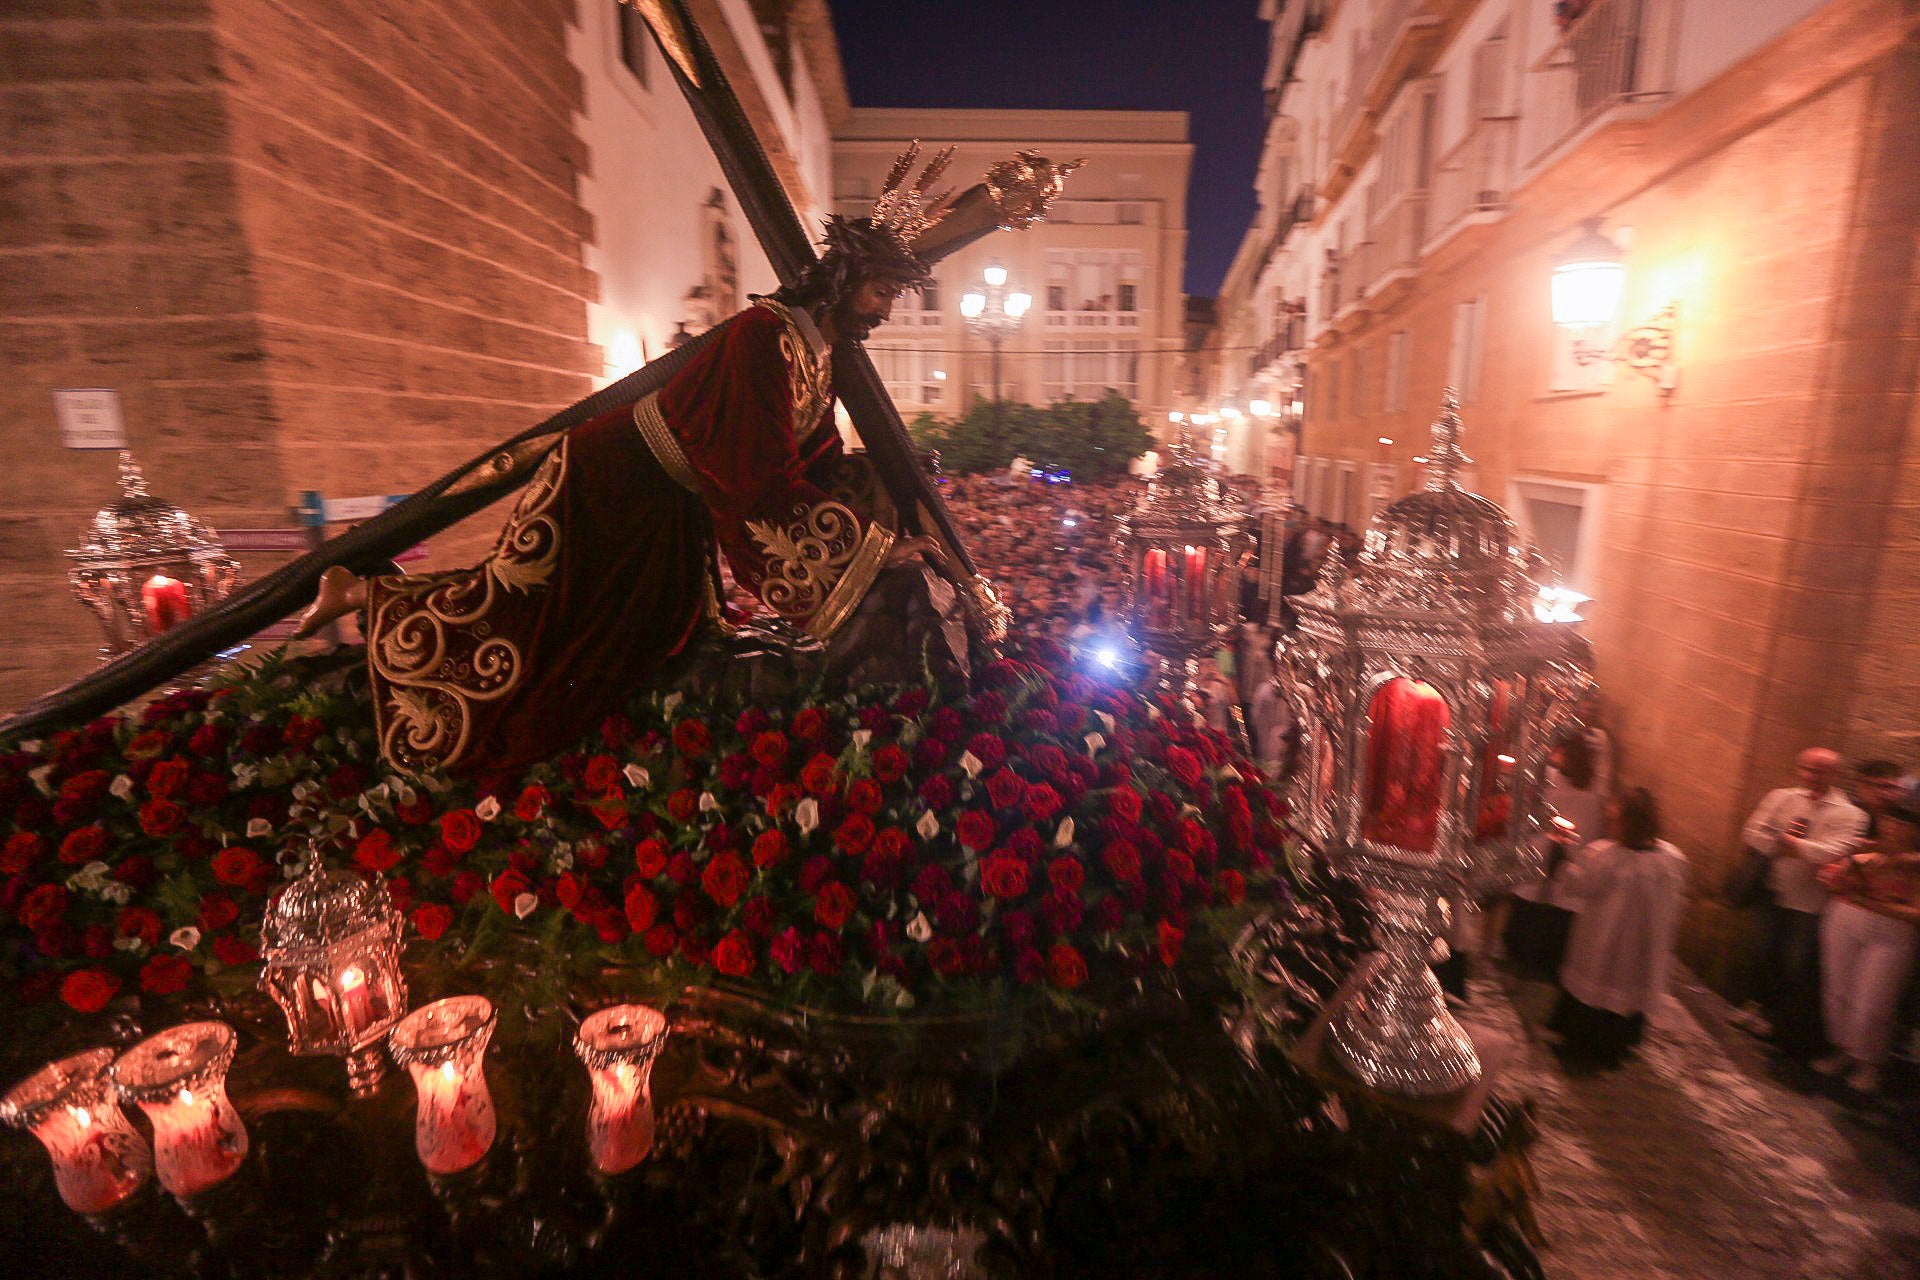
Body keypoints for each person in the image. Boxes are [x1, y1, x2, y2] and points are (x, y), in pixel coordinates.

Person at [294, 153, 989, 775]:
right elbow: (757, 486)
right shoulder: (764, 338)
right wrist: (872, 551)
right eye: (880, 292)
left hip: (667, 499)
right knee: (531, 612)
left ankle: (364, 594)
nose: (885, 310)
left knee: (638, 642)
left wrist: (890, 480)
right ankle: (360, 595)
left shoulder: (817, 356)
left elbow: (815, 462)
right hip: (612, 481)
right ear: (845, 280)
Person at [1730, 747, 1868, 1053]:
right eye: (1806, 768)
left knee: (1796, 965)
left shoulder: (1851, 813)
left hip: (1809, 902)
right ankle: (1756, 1005)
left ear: (1835, 774)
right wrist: (1794, 846)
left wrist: (1790, 843)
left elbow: (1836, 851)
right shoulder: (1781, 797)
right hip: (1773, 890)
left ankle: (1779, 1021)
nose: (1811, 776)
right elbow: (1752, 832)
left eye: (1820, 771)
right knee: (1762, 953)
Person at [1550, 789, 1689, 1069]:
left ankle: (1583, 1048)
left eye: (1613, 819)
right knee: (1627, 995)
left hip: (1603, 944)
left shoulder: (1604, 856)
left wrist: (1560, 853)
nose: (1608, 822)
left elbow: (1577, 885)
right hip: (1642, 947)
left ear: (1628, 822)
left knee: (1596, 990)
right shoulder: (1672, 859)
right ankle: (1619, 1045)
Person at [1813, 803, 1920, 1095]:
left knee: (1873, 1002)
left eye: (1901, 824)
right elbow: (1836, 876)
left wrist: (1867, 901)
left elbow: (1916, 913)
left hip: (1892, 934)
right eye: (1888, 820)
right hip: (1845, 920)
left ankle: (1869, 1063)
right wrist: (1833, 877)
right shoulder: (1866, 850)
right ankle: (1843, 1051)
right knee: (1837, 990)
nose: (1892, 828)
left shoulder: (1914, 864)